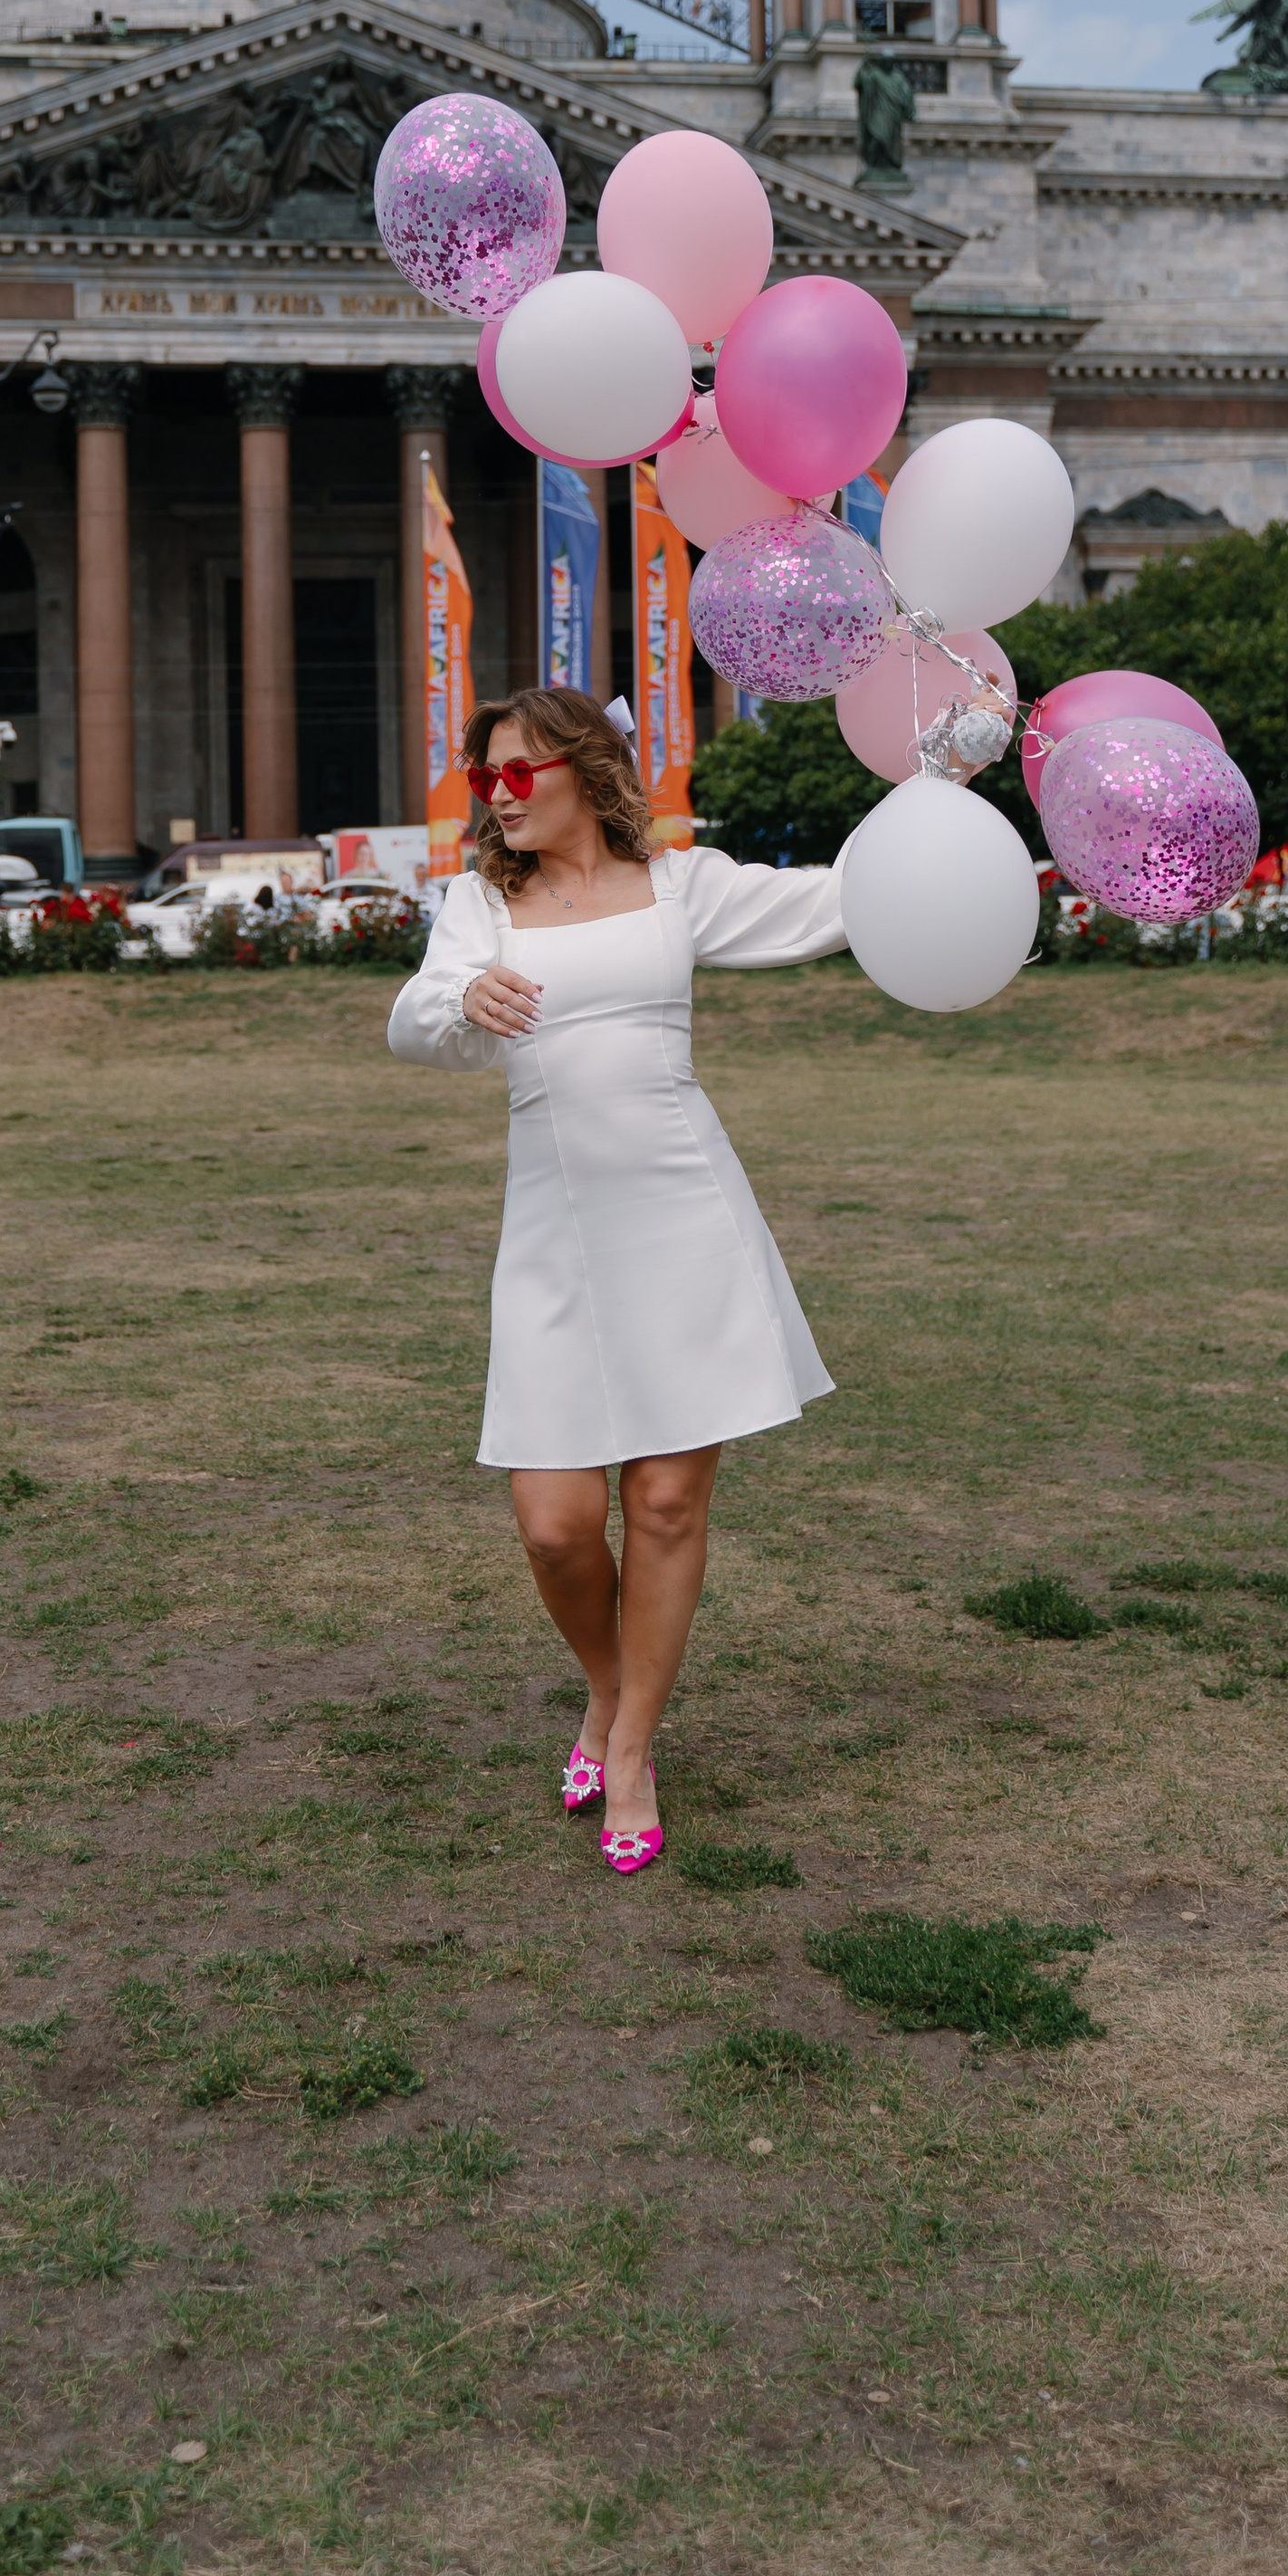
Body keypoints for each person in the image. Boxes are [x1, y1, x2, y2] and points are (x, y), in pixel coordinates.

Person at [386, 686, 860, 1879]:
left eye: (515, 773)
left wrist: (939, 795)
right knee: (554, 1526)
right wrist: (463, 1000)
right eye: (484, 777)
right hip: (553, 1238)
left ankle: (632, 1751)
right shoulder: (482, 903)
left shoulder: (682, 887)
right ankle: (608, 1693)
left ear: (584, 771)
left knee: (661, 1505)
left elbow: (842, 901)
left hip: (685, 1218)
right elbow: (414, 1019)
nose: (495, 795)